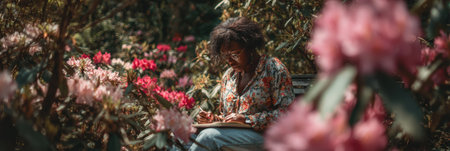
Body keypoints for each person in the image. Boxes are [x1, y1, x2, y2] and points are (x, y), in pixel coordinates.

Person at [189, 17, 295, 151]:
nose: (229, 61)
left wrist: (248, 119)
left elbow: (287, 114)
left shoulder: (273, 69)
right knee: (183, 136)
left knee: (208, 138)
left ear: (250, 47)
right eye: (225, 56)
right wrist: (213, 118)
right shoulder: (229, 76)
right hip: (234, 136)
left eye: (235, 54)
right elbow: (228, 118)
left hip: (267, 138)